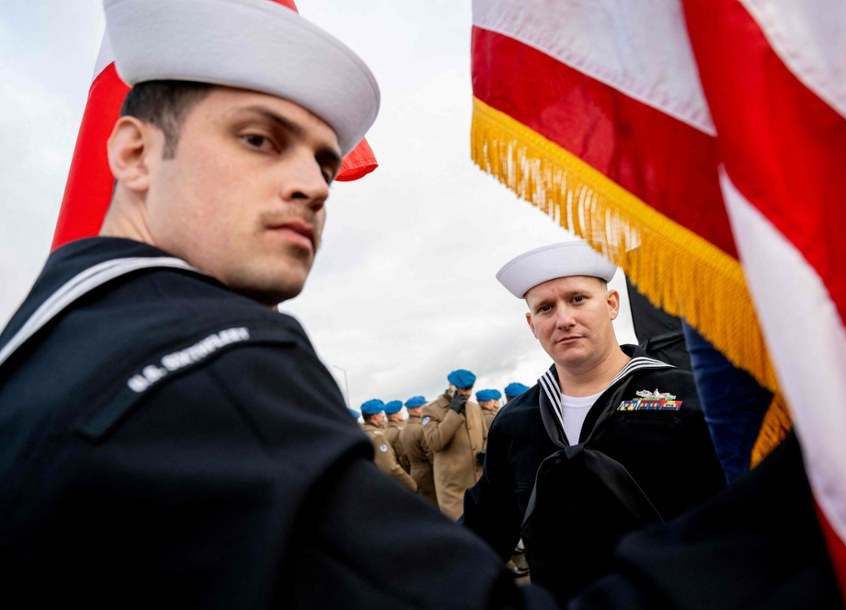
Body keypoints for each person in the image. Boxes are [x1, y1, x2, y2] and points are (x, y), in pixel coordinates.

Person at [0, 2, 557, 607]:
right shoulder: (217, 358)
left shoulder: (43, 345)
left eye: (324, 161)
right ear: (135, 154)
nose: (315, 186)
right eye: (259, 138)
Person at [463, 241, 725, 602]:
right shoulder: (515, 423)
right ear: (532, 324)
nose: (563, 320)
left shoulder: (685, 397)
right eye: (545, 308)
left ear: (612, 304)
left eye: (577, 299)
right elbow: (484, 529)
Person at [422, 369, 486, 520]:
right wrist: (453, 413)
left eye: (470, 389)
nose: (467, 393)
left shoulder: (474, 407)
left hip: (479, 482)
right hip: (454, 488)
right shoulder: (431, 410)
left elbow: (485, 435)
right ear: (451, 387)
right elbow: (435, 442)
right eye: (463, 389)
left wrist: (484, 451)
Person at [361, 399, 416, 491]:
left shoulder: (363, 433)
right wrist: (411, 484)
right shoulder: (377, 436)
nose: (383, 416)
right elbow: (390, 467)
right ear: (375, 416)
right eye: (381, 413)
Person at [400, 394, 437, 504]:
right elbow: (431, 453)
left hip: (414, 471)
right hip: (428, 473)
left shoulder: (403, 430)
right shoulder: (420, 429)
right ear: (416, 409)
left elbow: (403, 456)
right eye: (423, 406)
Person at [383, 399, 410, 472]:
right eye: (399, 412)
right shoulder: (397, 432)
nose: (402, 413)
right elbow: (403, 456)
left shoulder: (384, 432)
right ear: (394, 416)